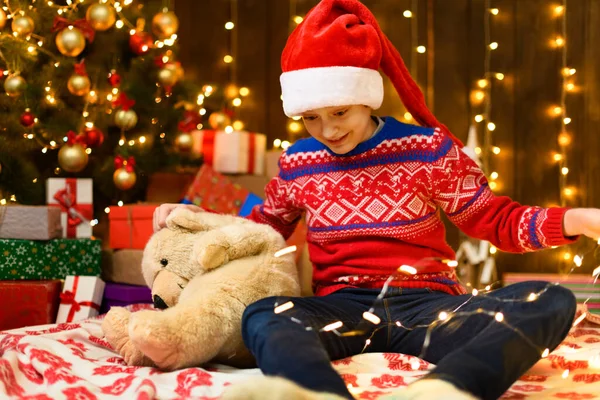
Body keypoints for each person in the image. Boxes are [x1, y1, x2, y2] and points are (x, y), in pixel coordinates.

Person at [153, 0, 600, 398]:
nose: (327, 130)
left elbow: (493, 220)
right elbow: (263, 229)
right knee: (264, 315)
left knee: (552, 301)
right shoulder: (297, 161)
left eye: (340, 113)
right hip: (340, 307)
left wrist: (576, 219)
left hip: (428, 306)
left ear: (366, 96)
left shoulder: (429, 151)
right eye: (311, 118)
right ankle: (313, 393)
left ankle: (447, 389)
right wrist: (201, 221)